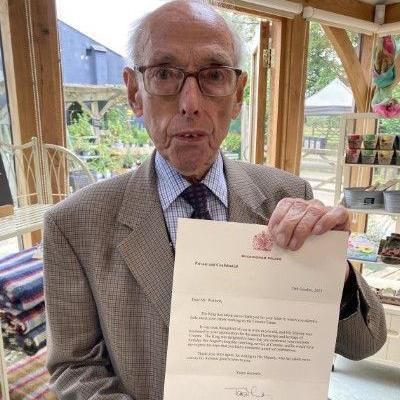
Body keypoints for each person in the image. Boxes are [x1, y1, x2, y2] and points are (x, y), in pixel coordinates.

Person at [43, 1, 387, 399]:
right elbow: (73, 367)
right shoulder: (75, 224)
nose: (190, 102)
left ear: (238, 94)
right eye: (165, 74)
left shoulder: (288, 197)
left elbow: (364, 344)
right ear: (135, 93)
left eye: (214, 75)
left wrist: (335, 271)